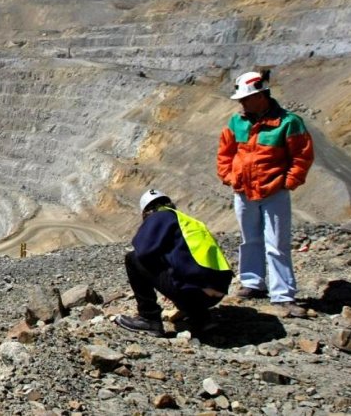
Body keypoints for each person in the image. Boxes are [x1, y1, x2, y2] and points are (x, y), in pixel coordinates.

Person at [217, 70, 314, 315]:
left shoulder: (288, 122)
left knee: (277, 243)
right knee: (250, 239)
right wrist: (229, 177)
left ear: (261, 95)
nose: (242, 103)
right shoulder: (237, 122)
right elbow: (225, 153)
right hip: (243, 191)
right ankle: (252, 283)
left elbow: (302, 156)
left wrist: (289, 182)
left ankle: (282, 294)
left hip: (274, 192)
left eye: (245, 98)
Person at [115, 189, 233, 336]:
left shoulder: (159, 216)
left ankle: (149, 318)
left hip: (195, 293)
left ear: (146, 211)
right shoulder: (187, 221)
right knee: (181, 276)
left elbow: (143, 250)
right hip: (217, 291)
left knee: (133, 259)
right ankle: (201, 318)